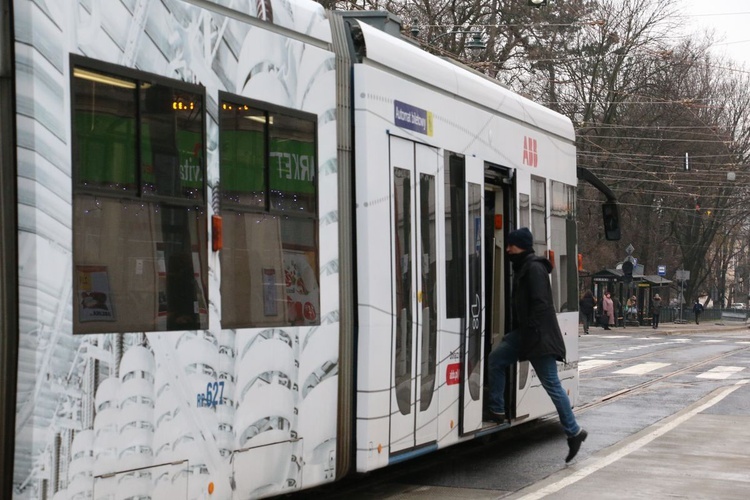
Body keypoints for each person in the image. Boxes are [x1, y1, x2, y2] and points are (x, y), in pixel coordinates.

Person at [486, 228, 588, 462]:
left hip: (538, 337)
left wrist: (529, 333)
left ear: (520, 246)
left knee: (551, 384)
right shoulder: (525, 267)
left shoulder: (533, 268)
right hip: (528, 334)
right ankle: (497, 410)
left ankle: (574, 431)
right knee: (496, 360)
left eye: (511, 245)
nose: (508, 249)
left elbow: (541, 305)